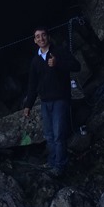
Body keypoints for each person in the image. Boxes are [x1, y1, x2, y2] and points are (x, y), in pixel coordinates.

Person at [23, 26, 81, 177]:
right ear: (35, 41)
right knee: (48, 135)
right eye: (38, 37)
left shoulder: (59, 51)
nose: (41, 38)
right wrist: (28, 105)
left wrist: (58, 64)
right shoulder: (35, 60)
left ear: (48, 37)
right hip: (45, 102)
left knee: (58, 135)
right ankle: (52, 161)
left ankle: (60, 166)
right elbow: (32, 84)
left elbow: (77, 66)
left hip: (61, 99)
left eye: (43, 35)